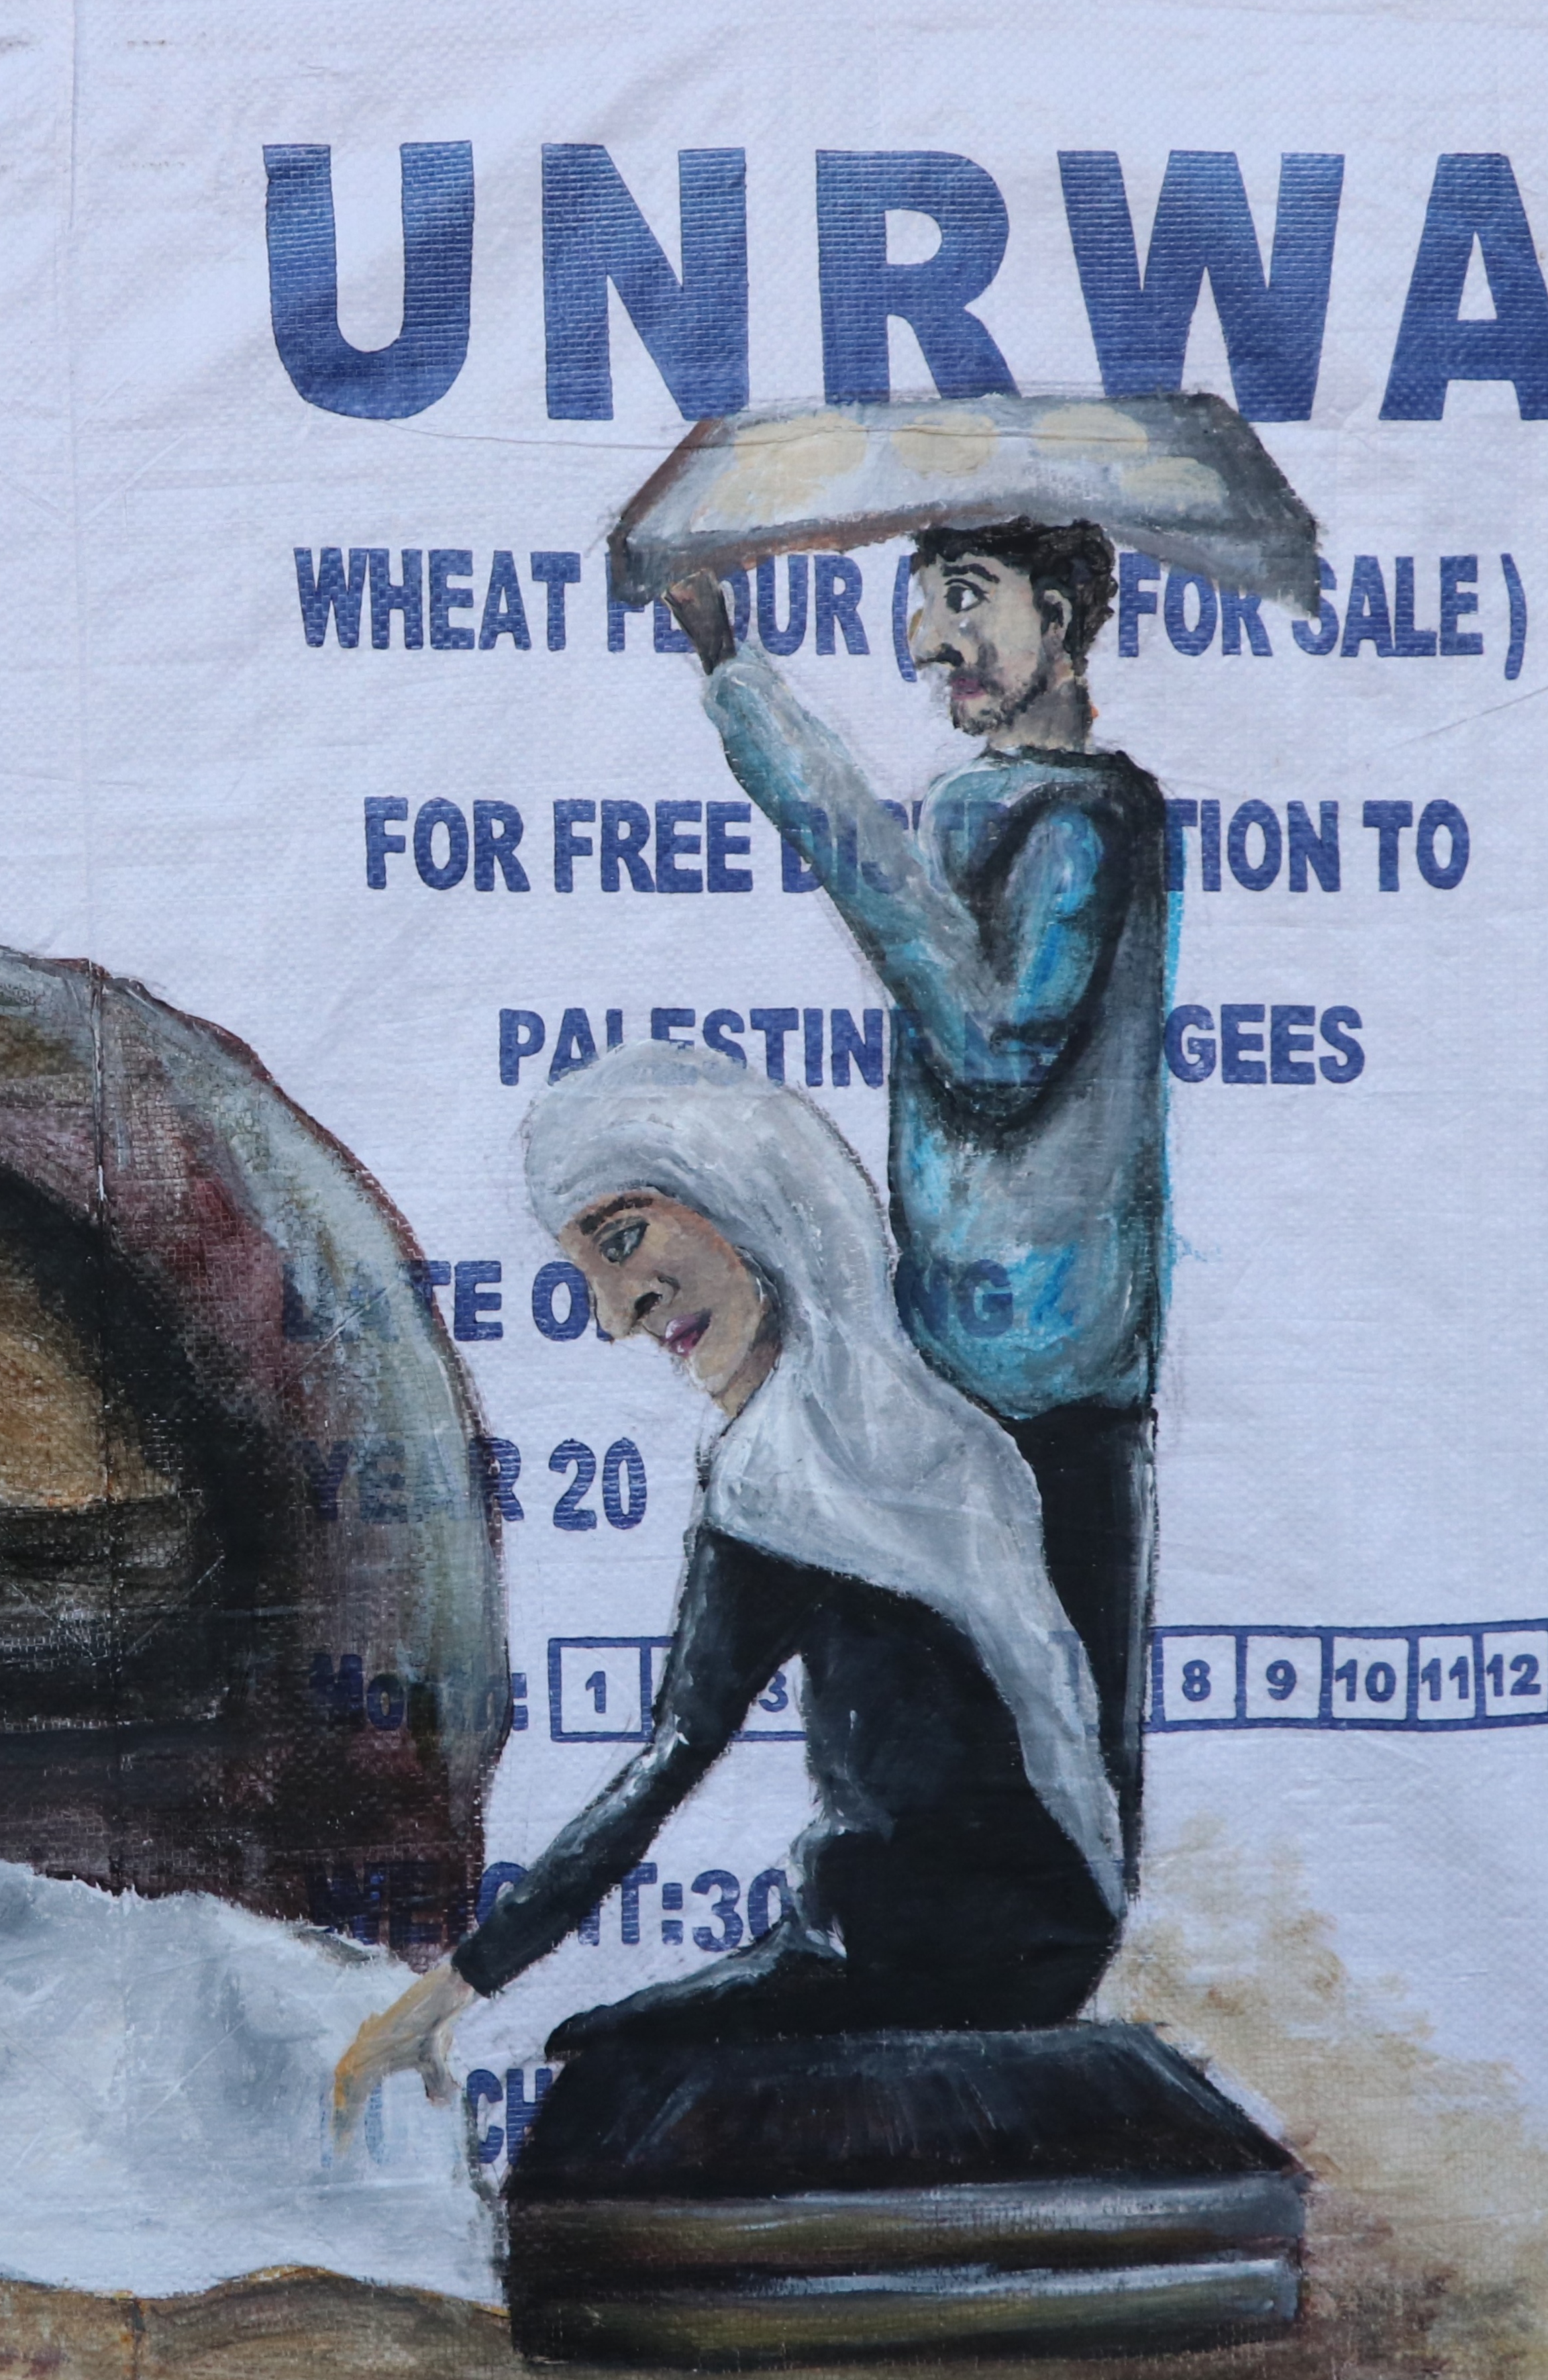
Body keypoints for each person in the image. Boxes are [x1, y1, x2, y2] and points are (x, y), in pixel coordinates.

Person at [334, 1042, 1125, 2120]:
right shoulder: (957, 1440)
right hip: (1055, 1938)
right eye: (589, 1277)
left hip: (896, 1952)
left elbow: (673, 1755)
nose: (618, 1314)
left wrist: (447, 1992)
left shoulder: (774, 1474)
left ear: (743, 1190)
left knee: (589, 2055)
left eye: (623, 1241)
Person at [672, 523, 1165, 1863]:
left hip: (1055, 1382)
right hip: (941, 1360)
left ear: (1059, 616)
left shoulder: (1089, 822)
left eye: (964, 598)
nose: (928, 641)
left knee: (1060, 1791)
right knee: (932, 1768)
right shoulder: (969, 807)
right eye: (920, 604)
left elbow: (996, 1049)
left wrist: (758, 717)